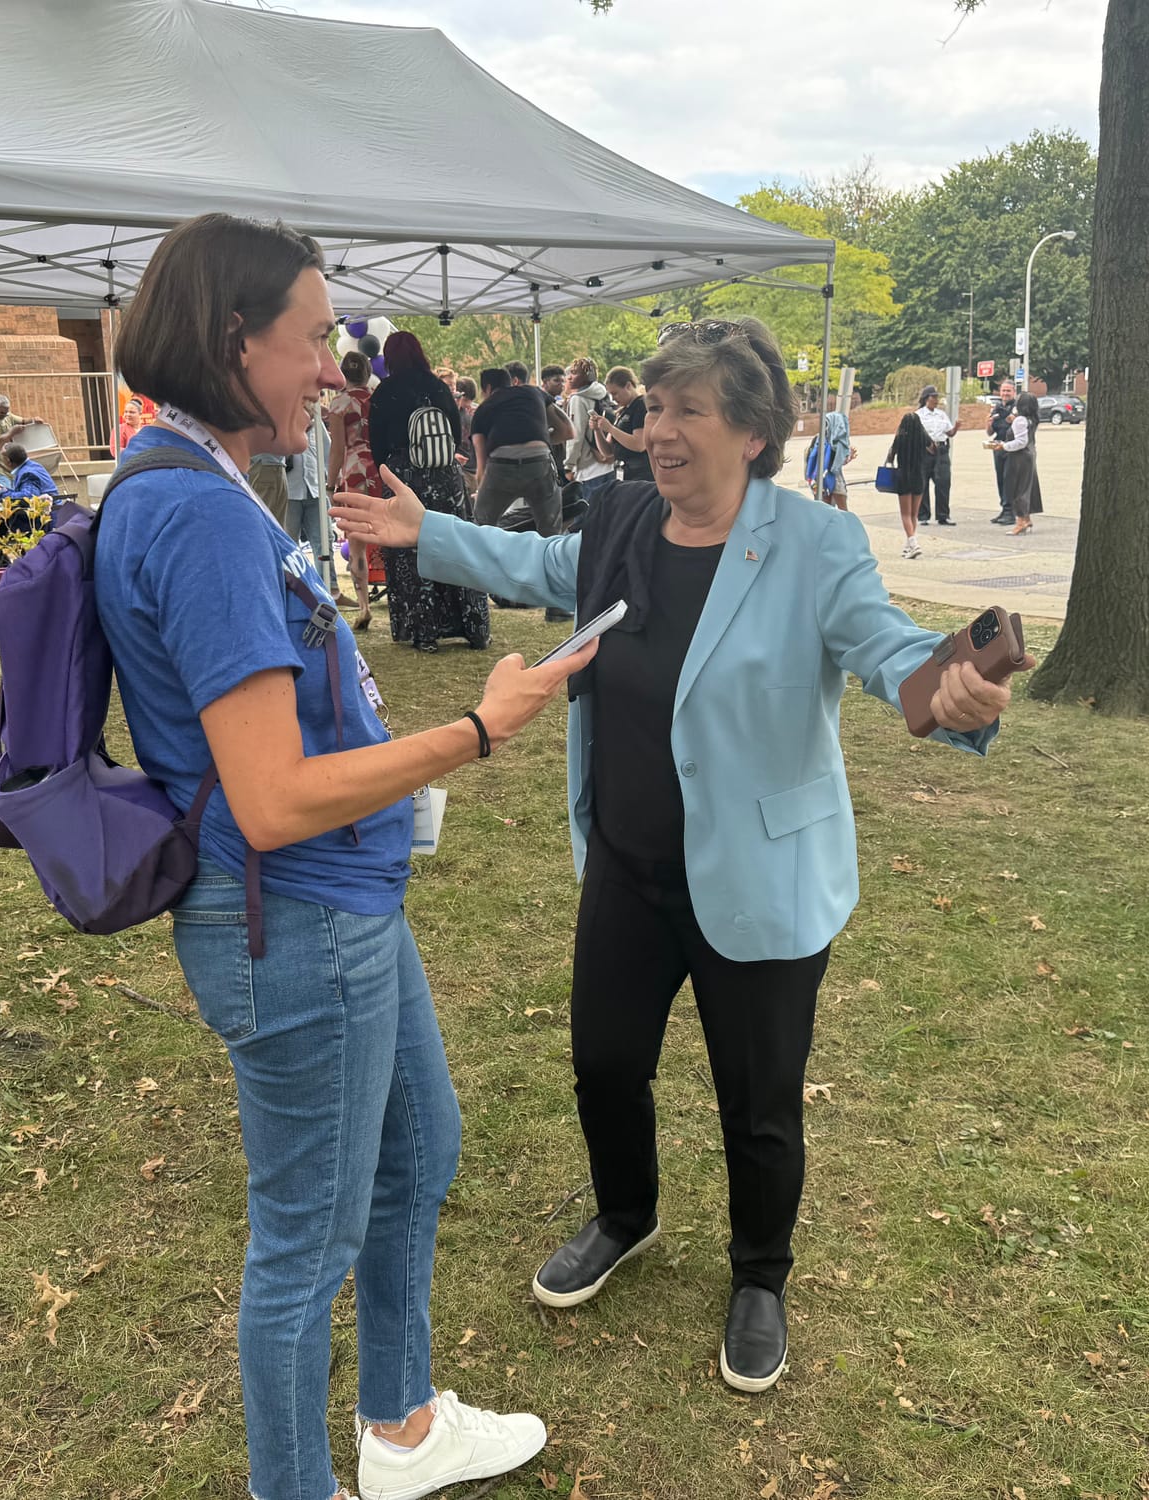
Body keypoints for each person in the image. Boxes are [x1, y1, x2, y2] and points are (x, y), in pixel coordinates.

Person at [334, 315, 1021, 1396]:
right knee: (604, 1061)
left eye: (685, 411)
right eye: (652, 409)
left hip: (757, 873)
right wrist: (428, 529)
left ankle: (758, 1276)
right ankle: (625, 1216)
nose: (657, 431)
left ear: (750, 431)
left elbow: (887, 652)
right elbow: (541, 562)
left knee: (756, 1099)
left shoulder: (814, 546)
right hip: (626, 859)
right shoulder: (619, 519)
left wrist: (951, 690)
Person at [96, 211, 560, 1500]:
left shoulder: (196, 484)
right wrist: (474, 729)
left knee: (420, 1151)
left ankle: (401, 1428)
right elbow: (273, 797)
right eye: (310, 341)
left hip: (333, 911)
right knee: (302, 1252)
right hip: (294, 921)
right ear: (230, 339)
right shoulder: (195, 517)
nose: (330, 372)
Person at [367, 331, 490, 652]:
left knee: (410, 550)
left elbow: (377, 444)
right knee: (456, 542)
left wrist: (390, 471)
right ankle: (473, 626)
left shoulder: (385, 391)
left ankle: (424, 632)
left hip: (403, 476)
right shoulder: (438, 387)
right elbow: (454, 432)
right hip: (445, 475)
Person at [468, 366, 571, 535]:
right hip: (539, 462)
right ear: (511, 383)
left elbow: (481, 464)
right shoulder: (533, 392)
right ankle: (550, 557)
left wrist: (481, 491)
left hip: (501, 466)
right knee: (550, 529)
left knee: (482, 526)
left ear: (486, 388)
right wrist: (539, 440)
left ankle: (486, 559)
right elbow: (568, 430)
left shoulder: (482, 410)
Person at [327, 349, 381, 630]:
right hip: (380, 471)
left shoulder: (339, 405)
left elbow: (338, 448)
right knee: (389, 536)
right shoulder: (378, 400)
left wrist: (330, 482)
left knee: (357, 544)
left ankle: (364, 606)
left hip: (354, 473)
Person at [282, 398, 337, 591]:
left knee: (324, 541)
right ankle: (294, 590)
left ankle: (329, 589)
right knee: (289, 544)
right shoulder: (283, 417)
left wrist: (331, 483)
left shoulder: (316, 421)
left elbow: (328, 451)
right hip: (290, 490)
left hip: (315, 489)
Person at [0, 440, 60, 567]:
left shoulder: (27, 473)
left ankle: (4, 569)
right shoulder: (33, 466)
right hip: (43, 515)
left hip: (39, 520)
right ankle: (8, 567)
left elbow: (27, 498)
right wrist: (2, 490)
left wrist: (0, 492)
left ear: (8, 461)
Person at [563, 356, 616, 503]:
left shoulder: (578, 399)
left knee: (589, 515)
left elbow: (576, 435)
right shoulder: (603, 394)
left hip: (588, 467)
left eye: (574, 373)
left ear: (587, 376)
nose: (569, 377)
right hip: (607, 462)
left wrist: (569, 465)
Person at [883, 405, 931, 559]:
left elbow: (890, 456)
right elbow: (933, 449)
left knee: (905, 514)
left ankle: (913, 543)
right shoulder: (923, 438)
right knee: (913, 515)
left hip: (903, 477)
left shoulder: (900, 438)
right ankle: (908, 547)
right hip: (919, 477)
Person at [991, 392, 1043, 534]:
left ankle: (1020, 522)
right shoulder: (1032, 419)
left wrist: (1003, 446)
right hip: (1029, 455)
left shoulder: (1020, 420)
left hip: (1019, 457)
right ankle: (1026, 518)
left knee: (1016, 488)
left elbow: (1021, 442)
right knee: (1027, 487)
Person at [593, 366, 652, 484]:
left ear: (628, 386)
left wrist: (610, 428)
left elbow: (639, 444)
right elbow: (608, 452)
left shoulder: (641, 406)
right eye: (611, 395)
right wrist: (597, 430)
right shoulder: (622, 411)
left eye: (615, 393)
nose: (614, 399)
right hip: (622, 471)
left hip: (640, 473)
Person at [915, 386, 958, 525]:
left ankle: (943, 515)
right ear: (926, 399)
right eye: (933, 397)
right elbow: (914, 434)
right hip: (924, 451)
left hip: (941, 450)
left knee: (943, 482)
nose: (936, 400)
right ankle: (923, 516)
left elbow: (949, 433)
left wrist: (956, 427)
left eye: (937, 397)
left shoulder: (941, 415)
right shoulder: (918, 415)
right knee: (923, 483)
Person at [987, 380, 1017, 524]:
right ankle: (1004, 509)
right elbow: (990, 432)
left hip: (1011, 447)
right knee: (1000, 479)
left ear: (1014, 392)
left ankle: (1010, 512)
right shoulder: (997, 408)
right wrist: (988, 424)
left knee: (1008, 479)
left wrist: (1015, 420)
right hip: (997, 446)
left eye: (1008, 391)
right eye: (1003, 391)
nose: (1005, 394)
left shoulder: (1017, 408)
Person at [816, 395, 852, 511]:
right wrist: (849, 456)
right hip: (834, 479)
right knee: (843, 511)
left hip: (820, 479)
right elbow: (838, 464)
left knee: (825, 511)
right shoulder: (837, 442)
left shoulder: (819, 440)